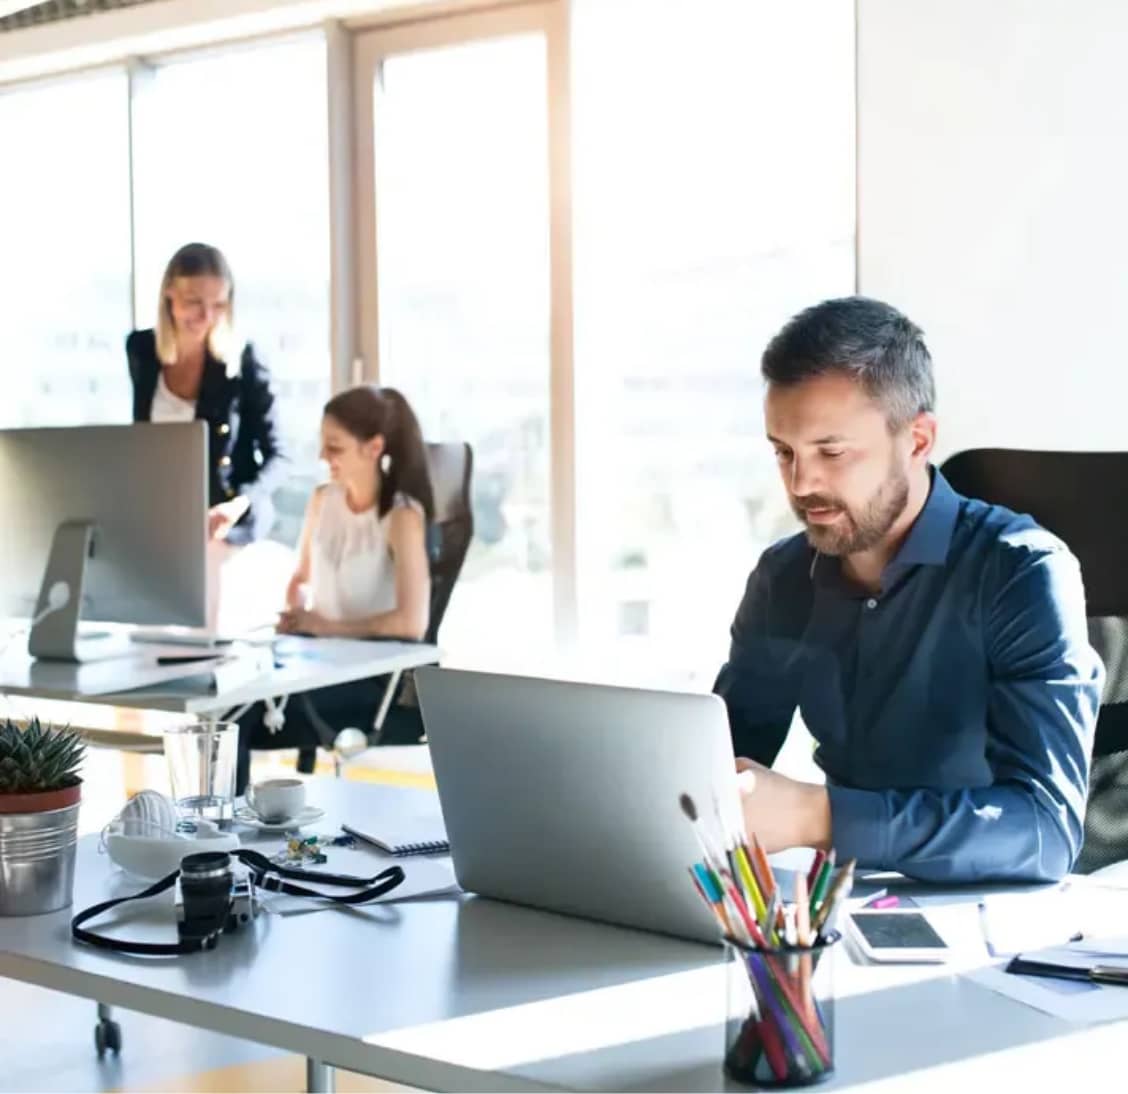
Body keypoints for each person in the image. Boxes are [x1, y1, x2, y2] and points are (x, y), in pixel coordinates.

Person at [714, 296, 1103, 883]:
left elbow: (1046, 833)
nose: (801, 482)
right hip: (849, 905)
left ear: (918, 440)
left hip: (1002, 916)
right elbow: (718, 767)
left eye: (832, 451)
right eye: (784, 451)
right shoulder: (783, 579)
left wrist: (820, 815)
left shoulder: (1022, 572)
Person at [235, 384, 435, 793]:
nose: (323, 457)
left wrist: (323, 627)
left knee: (237, 719)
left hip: (369, 680)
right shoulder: (322, 499)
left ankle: (221, 842)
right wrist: (295, 612)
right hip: (313, 664)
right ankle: (217, 837)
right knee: (227, 704)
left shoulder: (401, 517)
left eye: (335, 447)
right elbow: (300, 578)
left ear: (373, 447)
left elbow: (411, 623)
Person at [126, 242, 287, 547]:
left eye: (219, 305)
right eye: (194, 302)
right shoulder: (142, 351)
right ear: (168, 295)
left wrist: (239, 503)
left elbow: (279, 456)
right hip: (161, 515)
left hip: (226, 523)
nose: (206, 316)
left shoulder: (243, 360)